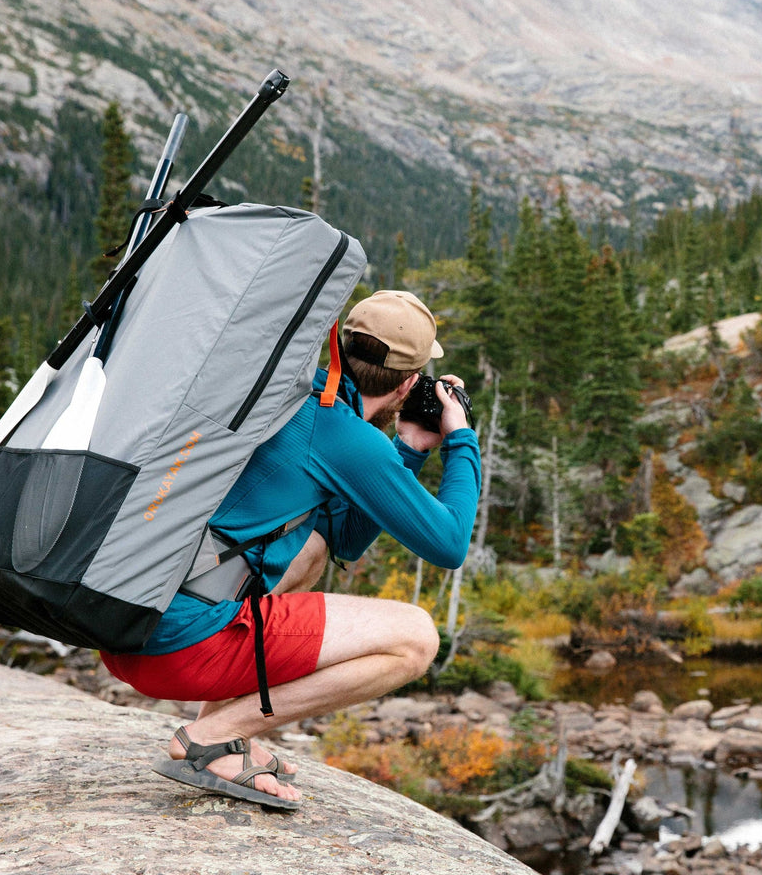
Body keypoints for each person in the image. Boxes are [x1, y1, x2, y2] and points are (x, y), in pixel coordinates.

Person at [100, 289, 481, 810]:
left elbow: (344, 538)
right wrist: (460, 436)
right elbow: (450, 542)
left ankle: (218, 733)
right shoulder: (342, 435)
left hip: (125, 628)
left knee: (314, 547)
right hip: (179, 650)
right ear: (410, 382)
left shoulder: (289, 398)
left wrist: (410, 447)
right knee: (415, 638)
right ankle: (213, 735)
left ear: (341, 350)